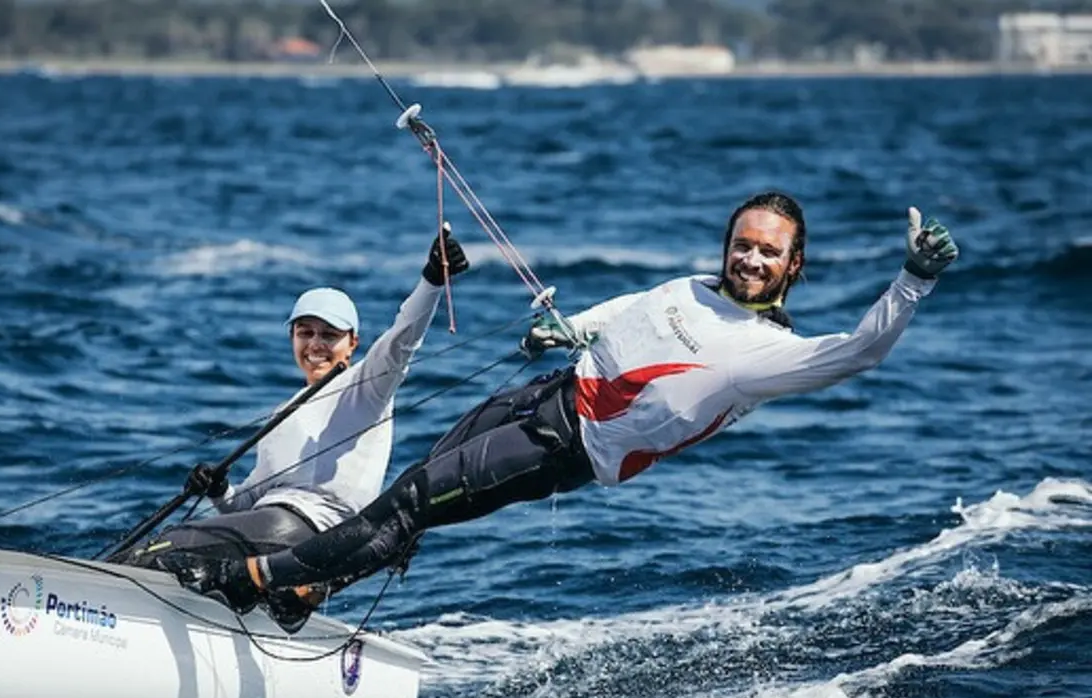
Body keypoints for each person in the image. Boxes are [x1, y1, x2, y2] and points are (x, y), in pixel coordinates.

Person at [161, 191, 959, 616]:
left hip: (568, 445)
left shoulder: (769, 356)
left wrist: (910, 283)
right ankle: (306, 590)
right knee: (421, 481)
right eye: (743, 243)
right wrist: (565, 329)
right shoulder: (692, 287)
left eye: (768, 252)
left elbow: (859, 351)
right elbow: (627, 311)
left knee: (405, 506)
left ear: (793, 265)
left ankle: (255, 579)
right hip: (542, 393)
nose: (750, 258)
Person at [109, 227, 469, 620]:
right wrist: (218, 489)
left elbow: (402, 339)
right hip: (270, 526)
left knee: (171, 545)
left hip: (309, 531)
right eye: (305, 333)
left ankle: (105, 598)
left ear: (352, 343)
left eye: (329, 335)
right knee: (178, 551)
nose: (315, 344)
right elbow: (244, 504)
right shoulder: (285, 412)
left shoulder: (366, 388)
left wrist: (432, 281)